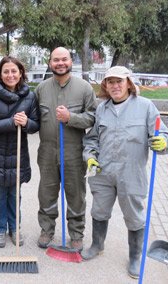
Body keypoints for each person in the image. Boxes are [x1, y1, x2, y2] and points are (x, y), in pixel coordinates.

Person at [82, 66, 168, 278]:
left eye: (119, 81)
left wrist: (163, 142)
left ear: (128, 84)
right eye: (110, 82)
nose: (114, 86)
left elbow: (163, 134)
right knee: (99, 211)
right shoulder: (102, 108)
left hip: (132, 173)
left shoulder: (146, 107)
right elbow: (92, 139)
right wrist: (90, 156)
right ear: (105, 86)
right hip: (103, 171)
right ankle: (97, 245)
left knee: (134, 216)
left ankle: (134, 256)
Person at [35, 47, 97, 251]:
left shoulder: (84, 88)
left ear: (71, 61)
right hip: (47, 152)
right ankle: (47, 229)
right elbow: (34, 118)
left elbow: (93, 118)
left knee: (75, 195)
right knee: (46, 193)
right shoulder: (41, 89)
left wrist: (72, 118)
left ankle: (76, 233)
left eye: (64, 59)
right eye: (56, 60)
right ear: (50, 62)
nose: (60, 63)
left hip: (74, 152)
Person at [0, 56, 40, 248]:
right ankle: (0, 229)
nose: (10, 75)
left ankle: (15, 228)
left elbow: (35, 125)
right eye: (6, 71)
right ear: (0, 74)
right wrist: (11, 122)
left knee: (15, 194)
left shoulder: (30, 96)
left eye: (14, 71)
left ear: (21, 73)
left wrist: (26, 123)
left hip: (18, 154)